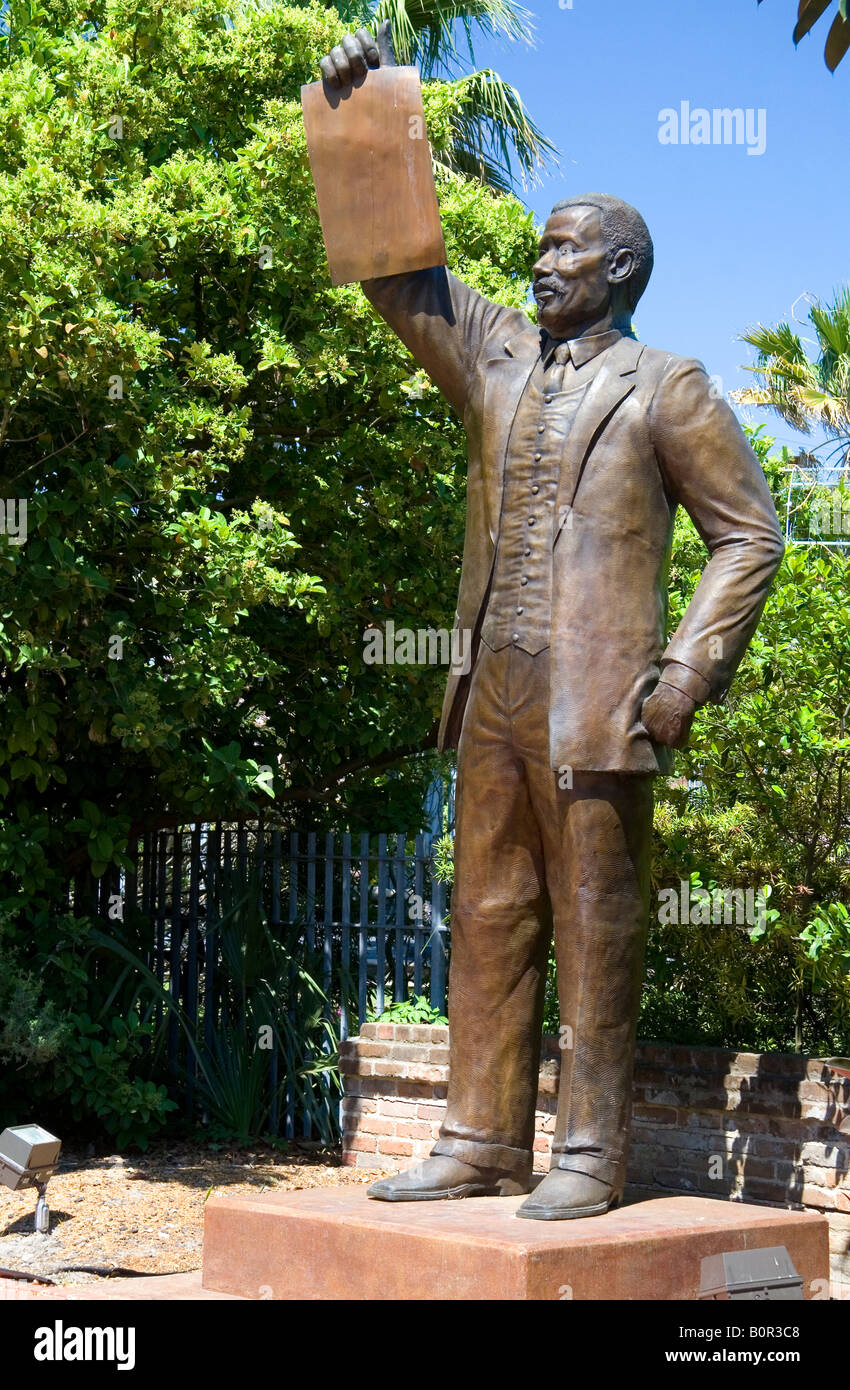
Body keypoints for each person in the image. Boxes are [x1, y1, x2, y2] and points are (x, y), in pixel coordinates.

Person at [318, 23, 785, 1218]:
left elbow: (749, 536)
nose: (540, 264)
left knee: (593, 927)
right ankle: (478, 1137)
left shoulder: (666, 386)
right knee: (486, 911)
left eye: (565, 251)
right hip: (495, 687)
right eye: (537, 248)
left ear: (619, 269)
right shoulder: (496, 360)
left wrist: (680, 679)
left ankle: (586, 1154)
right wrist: (363, 114)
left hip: (598, 700)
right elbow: (398, 273)